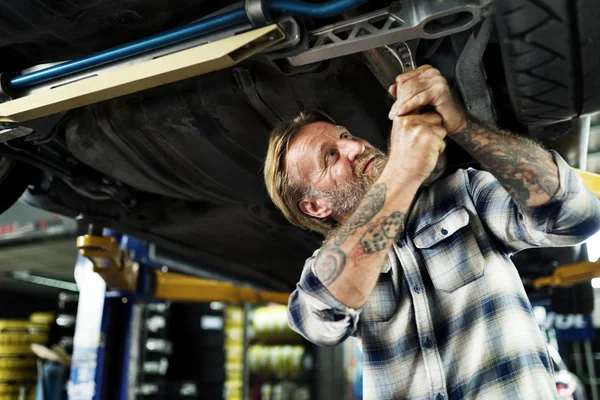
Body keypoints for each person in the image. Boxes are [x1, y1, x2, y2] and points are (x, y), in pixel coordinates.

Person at [263, 65, 600, 400]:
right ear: (316, 207)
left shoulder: (462, 193)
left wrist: (462, 125)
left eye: (345, 135)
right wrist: (402, 172)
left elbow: (574, 217)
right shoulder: (328, 266)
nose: (355, 146)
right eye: (331, 156)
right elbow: (319, 319)